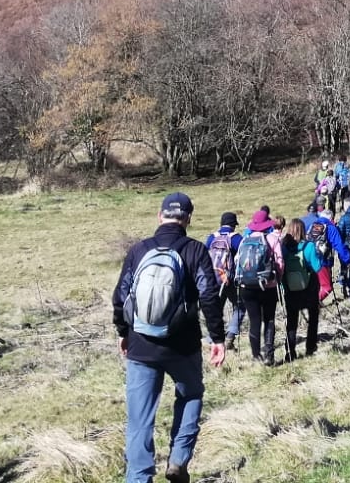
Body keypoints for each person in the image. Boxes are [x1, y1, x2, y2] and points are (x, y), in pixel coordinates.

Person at [113, 193, 224, 483]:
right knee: (191, 395)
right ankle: (178, 460)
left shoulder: (139, 250)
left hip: (141, 346)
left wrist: (123, 332)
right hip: (183, 346)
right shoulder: (195, 250)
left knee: (139, 418)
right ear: (188, 219)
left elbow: (120, 296)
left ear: (159, 216)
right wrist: (217, 338)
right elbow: (209, 295)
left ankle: (139, 478)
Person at [234, 209, 285, 365]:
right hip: (268, 286)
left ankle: (256, 356)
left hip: (247, 286)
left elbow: (237, 261)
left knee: (254, 321)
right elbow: (280, 262)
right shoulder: (272, 239)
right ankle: (269, 354)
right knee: (269, 319)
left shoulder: (245, 240)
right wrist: (278, 278)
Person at [281, 218, 324, 360]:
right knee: (313, 316)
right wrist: (321, 255)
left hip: (290, 288)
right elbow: (317, 267)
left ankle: (290, 351)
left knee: (292, 320)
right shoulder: (309, 246)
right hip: (308, 287)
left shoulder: (284, 247)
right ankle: (310, 347)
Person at [203, 212, 244, 350]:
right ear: (233, 225)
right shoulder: (236, 238)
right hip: (229, 280)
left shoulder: (212, 237)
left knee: (216, 309)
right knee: (240, 306)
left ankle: (212, 338)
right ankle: (231, 335)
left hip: (213, 278)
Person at [302, 201, 350, 302]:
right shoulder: (330, 228)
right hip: (322, 261)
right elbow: (339, 246)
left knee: (316, 285)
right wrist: (348, 259)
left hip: (308, 259)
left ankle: (315, 304)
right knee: (327, 287)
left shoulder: (313, 225)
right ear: (331, 218)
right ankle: (311, 303)